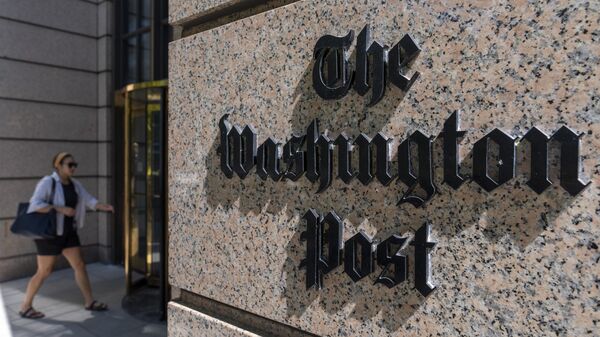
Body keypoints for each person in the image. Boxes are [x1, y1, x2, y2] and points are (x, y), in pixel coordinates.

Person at [18, 152, 114, 319]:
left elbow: (88, 199)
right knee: (44, 271)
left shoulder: (75, 184)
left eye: (74, 164)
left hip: (69, 232)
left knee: (80, 265)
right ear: (58, 166)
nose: (73, 168)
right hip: (49, 234)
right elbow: (35, 204)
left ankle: (89, 301)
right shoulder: (48, 182)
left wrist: (101, 206)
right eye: (70, 165)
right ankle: (25, 306)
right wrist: (60, 209)